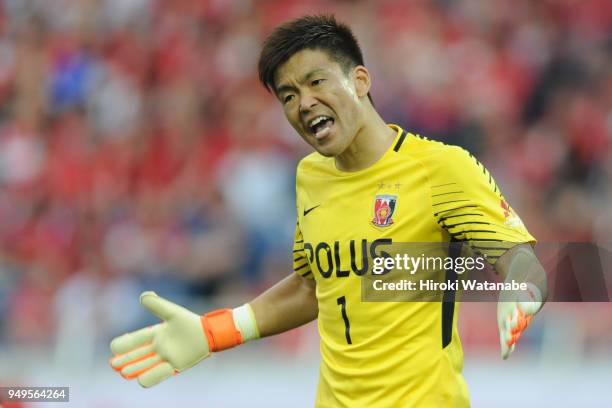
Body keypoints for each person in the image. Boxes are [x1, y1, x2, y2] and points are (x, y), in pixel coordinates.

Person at [109, 15, 548, 407]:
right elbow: (310, 286)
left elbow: (522, 260)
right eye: (288, 95)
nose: (303, 103)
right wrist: (215, 331)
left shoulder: (439, 168)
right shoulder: (309, 177)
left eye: (316, 82)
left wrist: (520, 290)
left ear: (359, 80)